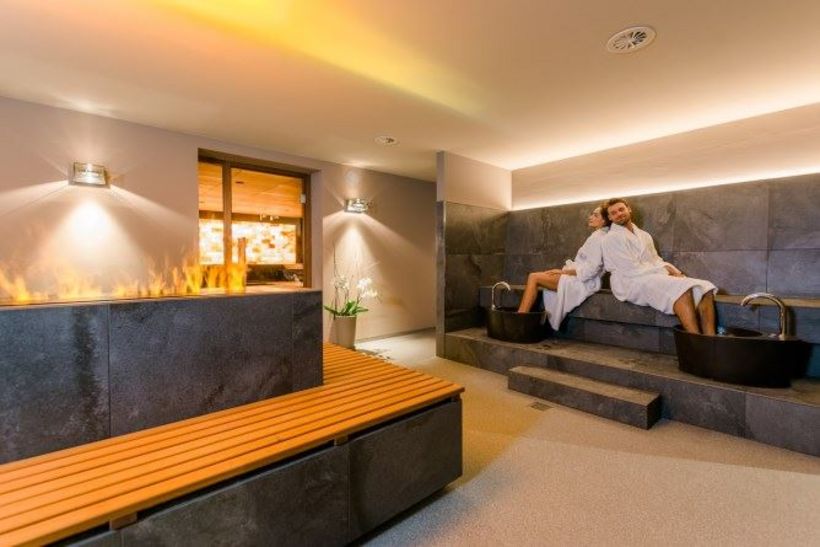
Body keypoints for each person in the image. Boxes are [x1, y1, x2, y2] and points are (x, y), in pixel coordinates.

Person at [601, 198, 716, 335]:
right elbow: (629, 269)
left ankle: (710, 339)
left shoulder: (644, 235)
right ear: (610, 217)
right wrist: (664, 270)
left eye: (621, 209)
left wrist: (673, 271)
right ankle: (695, 340)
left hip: (648, 275)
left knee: (706, 288)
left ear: (628, 209)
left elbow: (655, 260)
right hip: (628, 281)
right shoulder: (611, 238)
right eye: (613, 213)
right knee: (682, 289)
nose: (619, 214)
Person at [517, 206, 609, 331]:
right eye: (592, 214)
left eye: (595, 215)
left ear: (604, 220)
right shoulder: (599, 236)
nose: (590, 217)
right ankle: (520, 319)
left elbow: (592, 269)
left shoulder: (599, 238)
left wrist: (563, 272)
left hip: (583, 282)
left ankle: (519, 322)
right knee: (535, 277)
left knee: (534, 277)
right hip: (580, 278)